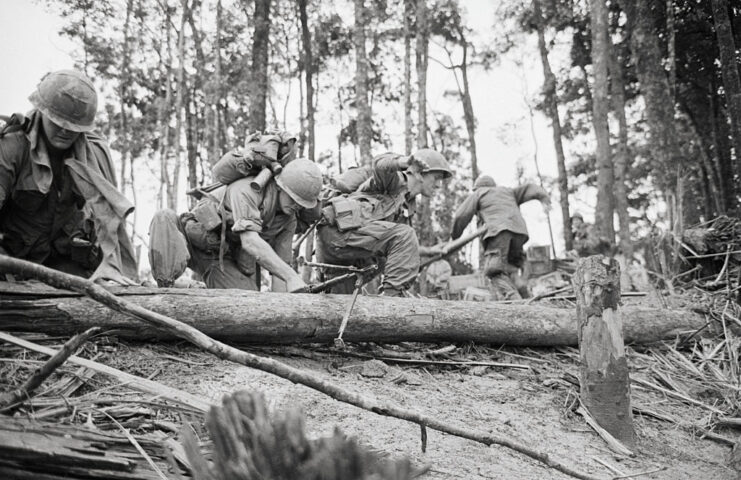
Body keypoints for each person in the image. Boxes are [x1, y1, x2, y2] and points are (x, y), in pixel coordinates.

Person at [0, 69, 138, 284]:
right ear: (42, 112)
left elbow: (111, 222)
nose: (65, 131)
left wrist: (113, 268)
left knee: (95, 303)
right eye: (58, 123)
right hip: (11, 259)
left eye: (73, 127)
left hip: (63, 261)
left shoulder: (95, 153)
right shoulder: (12, 146)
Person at [148, 156, 322, 293]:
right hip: (192, 241)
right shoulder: (247, 189)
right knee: (164, 217)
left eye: (302, 204)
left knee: (248, 306)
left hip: (222, 258)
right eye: (294, 199)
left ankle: (192, 289)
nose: (296, 206)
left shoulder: (288, 220)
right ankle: (166, 288)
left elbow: (281, 270)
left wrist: (285, 307)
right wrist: (291, 276)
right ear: (280, 186)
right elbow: (250, 241)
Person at [316, 149, 452, 297]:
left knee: (341, 311)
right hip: (338, 233)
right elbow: (380, 165)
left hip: (348, 253)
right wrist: (404, 162)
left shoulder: (406, 207)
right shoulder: (393, 182)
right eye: (436, 178)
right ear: (419, 173)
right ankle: (389, 300)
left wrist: (430, 251)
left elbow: (402, 249)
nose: (439, 185)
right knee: (404, 235)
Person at [451, 175, 550, 300]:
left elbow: (461, 215)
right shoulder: (508, 192)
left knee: (493, 271)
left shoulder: (480, 193)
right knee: (511, 269)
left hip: (499, 232)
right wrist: (544, 198)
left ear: (478, 188)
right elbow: (529, 188)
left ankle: (516, 301)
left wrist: (454, 237)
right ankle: (526, 297)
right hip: (519, 232)